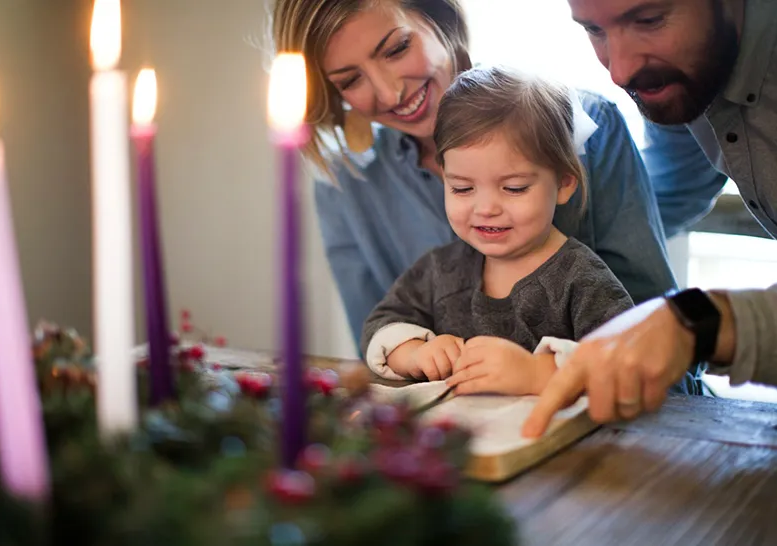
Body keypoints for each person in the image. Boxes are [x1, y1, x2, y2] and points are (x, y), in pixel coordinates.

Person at [270, 0, 697, 392]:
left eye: (397, 49)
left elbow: (656, 349)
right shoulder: (346, 186)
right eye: (350, 80)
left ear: (439, 18)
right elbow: (379, 354)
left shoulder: (584, 130)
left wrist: (543, 374)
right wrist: (412, 352)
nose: (389, 92)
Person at [523, 0, 777, 438]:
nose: (619, 71)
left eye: (648, 20)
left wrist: (698, 321)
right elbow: (677, 186)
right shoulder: (682, 76)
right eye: (594, 31)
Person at [360, 66, 634, 396]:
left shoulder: (582, 279)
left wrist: (538, 374)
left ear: (563, 183)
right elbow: (382, 323)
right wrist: (415, 352)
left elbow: (627, 363)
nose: (486, 208)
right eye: (462, 189)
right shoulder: (441, 269)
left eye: (514, 188)